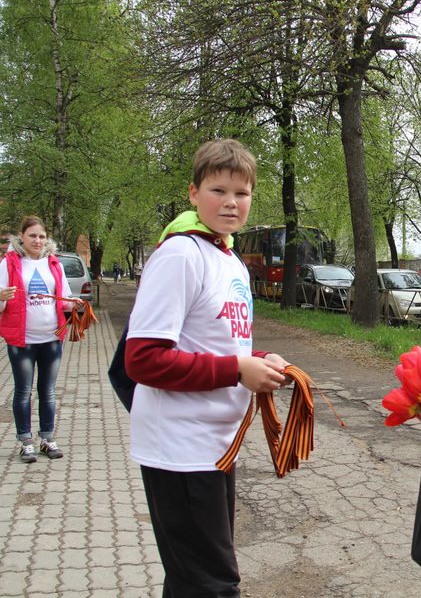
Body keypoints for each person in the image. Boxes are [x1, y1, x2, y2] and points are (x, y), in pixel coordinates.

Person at [124, 138, 290, 597]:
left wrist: (257, 361)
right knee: (213, 586)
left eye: (242, 193)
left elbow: (215, 343)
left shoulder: (230, 259)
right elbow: (143, 359)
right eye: (218, 190)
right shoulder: (181, 255)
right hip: (179, 449)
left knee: (191, 582)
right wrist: (237, 371)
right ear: (193, 193)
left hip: (217, 445)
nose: (232, 203)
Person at [0, 216, 72, 463]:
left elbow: (65, 298)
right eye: (32, 235)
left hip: (52, 339)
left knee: (47, 391)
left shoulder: (54, 264)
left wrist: (76, 306)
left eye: (41, 236)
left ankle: (47, 439)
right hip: (21, 341)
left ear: (47, 240)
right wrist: (1, 297)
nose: (37, 240)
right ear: (22, 237)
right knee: (23, 391)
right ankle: (26, 442)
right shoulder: (11, 263)